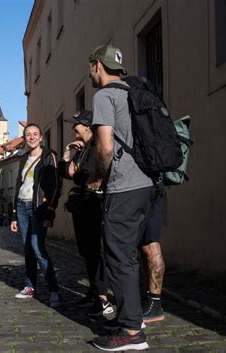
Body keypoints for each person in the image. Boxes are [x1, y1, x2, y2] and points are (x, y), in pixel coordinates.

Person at [86, 46, 152, 351]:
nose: (90, 73)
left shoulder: (104, 96)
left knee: (118, 257)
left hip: (123, 186)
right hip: (146, 185)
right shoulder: (134, 92)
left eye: (91, 67)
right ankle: (132, 318)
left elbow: (106, 147)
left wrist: (97, 178)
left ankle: (131, 334)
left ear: (97, 65)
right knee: (128, 256)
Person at [57, 110, 114, 319]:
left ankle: (103, 298)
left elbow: (83, 175)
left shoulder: (97, 146)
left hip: (93, 204)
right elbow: (65, 172)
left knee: (93, 251)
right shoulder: (82, 149)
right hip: (82, 205)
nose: (73, 128)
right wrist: (66, 153)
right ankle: (94, 292)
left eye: (77, 125)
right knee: (86, 251)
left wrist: (76, 172)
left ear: (88, 126)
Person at [10, 123, 61, 308]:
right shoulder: (23, 158)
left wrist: (50, 211)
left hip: (38, 207)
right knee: (28, 249)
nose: (31, 137)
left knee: (37, 247)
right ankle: (30, 286)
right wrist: (14, 215)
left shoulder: (49, 157)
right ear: (24, 138)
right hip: (22, 207)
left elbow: (55, 186)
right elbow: (19, 185)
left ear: (40, 137)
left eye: (35, 134)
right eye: (28, 135)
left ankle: (54, 290)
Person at [139, 189, 166, 323]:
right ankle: (149, 296)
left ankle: (155, 304)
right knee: (144, 246)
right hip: (147, 193)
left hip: (151, 194)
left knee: (151, 245)